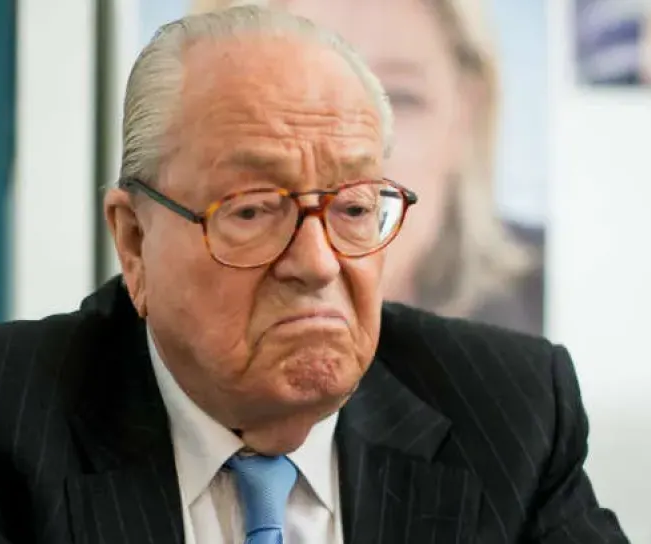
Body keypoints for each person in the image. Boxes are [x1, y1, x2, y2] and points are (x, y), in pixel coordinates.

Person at [0, 6, 626, 543]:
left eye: (353, 208)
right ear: (133, 241)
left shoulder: (510, 412)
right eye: (255, 210)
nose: (317, 262)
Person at [193, 0, 545, 336]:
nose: (355, 151)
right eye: (300, 95)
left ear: (466, 117)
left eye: (401, 98)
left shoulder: (560, 290)